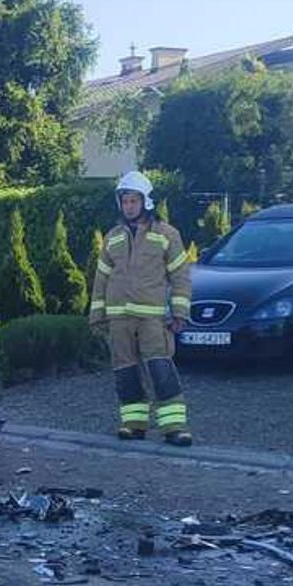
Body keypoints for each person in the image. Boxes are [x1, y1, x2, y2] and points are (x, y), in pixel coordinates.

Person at [88, 171, 193, 446]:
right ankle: (133, 425)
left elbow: (180, 276)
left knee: (161, 370)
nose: (129, 206)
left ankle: (175, 428)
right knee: (125, 372)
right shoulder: (112, 238)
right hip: (118, 319)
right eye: (125, 201)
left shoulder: (167, 235)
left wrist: (180, 312)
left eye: (134, 201)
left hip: (152, 319)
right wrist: (97, 316)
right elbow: (101, 279)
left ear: (146, 202)